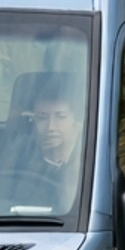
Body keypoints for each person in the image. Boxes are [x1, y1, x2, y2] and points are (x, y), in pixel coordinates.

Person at [23, 72, 84, 208]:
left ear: (78, 122)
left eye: (61, 117)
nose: (50, 127)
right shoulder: (21, 159)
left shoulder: (89, 167)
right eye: (42, 118)